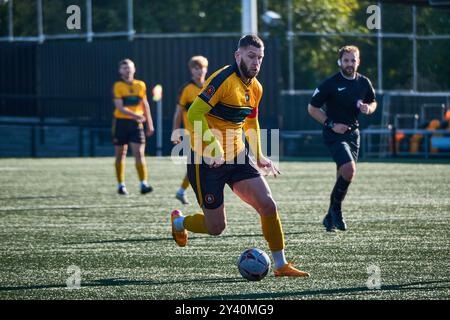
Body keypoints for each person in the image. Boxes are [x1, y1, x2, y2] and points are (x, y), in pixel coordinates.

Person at [170, 35, 310, 277]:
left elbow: (251, 123)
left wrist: (260, 155)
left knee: (268, 204)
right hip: (205, 160)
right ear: (238, 56)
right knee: (216, 227)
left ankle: (280, 265)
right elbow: (194, 113)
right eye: (251, 56)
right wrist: (213, 147)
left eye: (260, 58)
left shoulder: (256, 88)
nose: (256, 62)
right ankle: (179, 222)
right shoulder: (223, 79)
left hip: (238, 157)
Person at [308, 45, 377, 232]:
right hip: (334, 134)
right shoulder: (330, 83)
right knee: (349, 170)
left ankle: (330, 217)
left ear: (358, 61)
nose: (349, 64)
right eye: (346, 60)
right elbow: (312, 108)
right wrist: (331, 124)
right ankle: (337, 211)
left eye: (353, 60)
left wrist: (368, 108)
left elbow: (372, 101)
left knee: (344, 174)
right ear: (340, 62)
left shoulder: (363, 83)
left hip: (354, 134)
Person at [112, 58, 155, 195]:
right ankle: (121, 184)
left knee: (139, 153)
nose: (127, 70)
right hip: (121, 123)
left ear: (134, 69)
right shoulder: (118, 86)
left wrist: (150, 123)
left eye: (129, 67)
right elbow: (119, 107)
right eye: (124, 68)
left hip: (136, 125)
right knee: (120, 154)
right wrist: (137, 116)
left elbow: (145, 104)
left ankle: (143, 183)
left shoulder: (140, 85)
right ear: (120, 71)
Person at [171, 56, 209, 205]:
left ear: (206, 69)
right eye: (196, 68)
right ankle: (201, 195)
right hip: (192, 134)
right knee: (198, 165)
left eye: (201, 68)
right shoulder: (186, 89)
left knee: (200, 165)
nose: (199, 71)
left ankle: (182, 191)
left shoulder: (210, 87)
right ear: (191, 71)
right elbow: (178, 112)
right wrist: (175, 131)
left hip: (210, 132)